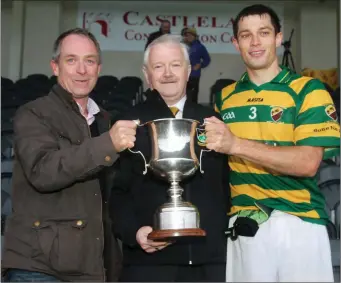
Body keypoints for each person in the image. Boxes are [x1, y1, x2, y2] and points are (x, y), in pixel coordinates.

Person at [205, 4, 340, 282]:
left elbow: (307, 163)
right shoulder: (224, 98)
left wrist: (236, 145)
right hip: (245, 224)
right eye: (246, 35)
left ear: (278, 38)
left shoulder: (309, 90)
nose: (255, 42)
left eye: (264, 33)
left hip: (300, 223)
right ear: (235, 43)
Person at [1, 28, 137, 282]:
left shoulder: (104, 121)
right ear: (55, 66)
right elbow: (43, 171)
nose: (82, 70)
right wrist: (106, 144)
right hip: (39, 267)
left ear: (98, 68)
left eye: (90, 61)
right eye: (71, 60)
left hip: (92, 266)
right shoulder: (33, 113)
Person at [109, 34, 230, 282]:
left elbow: (226, 188)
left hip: (209, 263)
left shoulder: (213, 122)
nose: (167, 73)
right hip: (149, 263)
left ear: (188, 71)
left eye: (175, 65)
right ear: (147, 74)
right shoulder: (126, 124)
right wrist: (134, 233)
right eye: (158, 66)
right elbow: (114, 192)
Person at [183, 27, 211, 103]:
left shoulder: (200, 47)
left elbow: (207, 59)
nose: (188, 37)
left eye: (190, 35)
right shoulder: (182, 46)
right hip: (183, 74)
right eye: (187, 35)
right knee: (182, 95)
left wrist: (200, 65)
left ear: (195, 36)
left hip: (194, 75)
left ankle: (194, 112)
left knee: (193, 95)